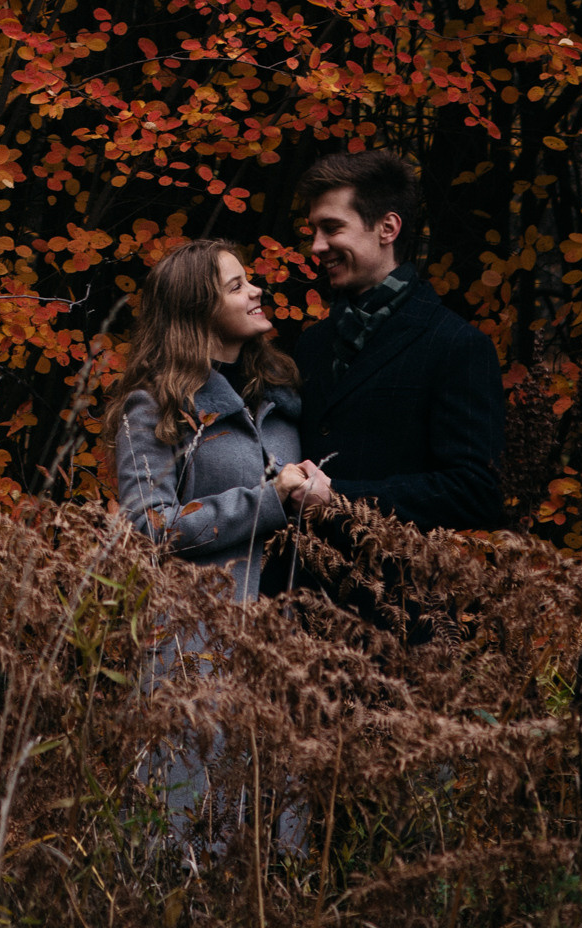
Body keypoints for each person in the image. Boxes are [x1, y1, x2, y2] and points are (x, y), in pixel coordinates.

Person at [108, 241, 328, 855]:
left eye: (249, 281)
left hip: (288, 638)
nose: (256, 291)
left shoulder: (281, 397)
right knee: (187, 839)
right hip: (195, 646)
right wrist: (266, 499)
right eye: (237, 286)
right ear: (196, 308)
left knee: (277, 841)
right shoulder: (153, 406)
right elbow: (148, 527)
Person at [296, 148, 504, 530]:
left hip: (398, 584)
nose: (317, 246)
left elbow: (476, 492)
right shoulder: (310, 346)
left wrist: (340, 497)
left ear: (388, 229)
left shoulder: (456, 345)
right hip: (298, 584)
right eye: (313, 231)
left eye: (332, 228)